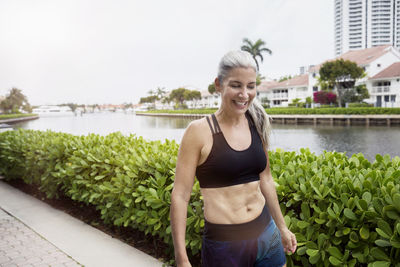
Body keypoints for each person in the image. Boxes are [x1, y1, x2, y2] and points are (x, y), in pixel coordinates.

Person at [170, 50, 297, 267]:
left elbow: (265, 180)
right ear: (218, 85)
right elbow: (180, 196)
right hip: (225, 246)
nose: (244, 94)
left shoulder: (257, 122)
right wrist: (181, 257)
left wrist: (282, 227)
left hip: (267, 235)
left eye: (251, 86)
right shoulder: (199, 132)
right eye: (236, 85)